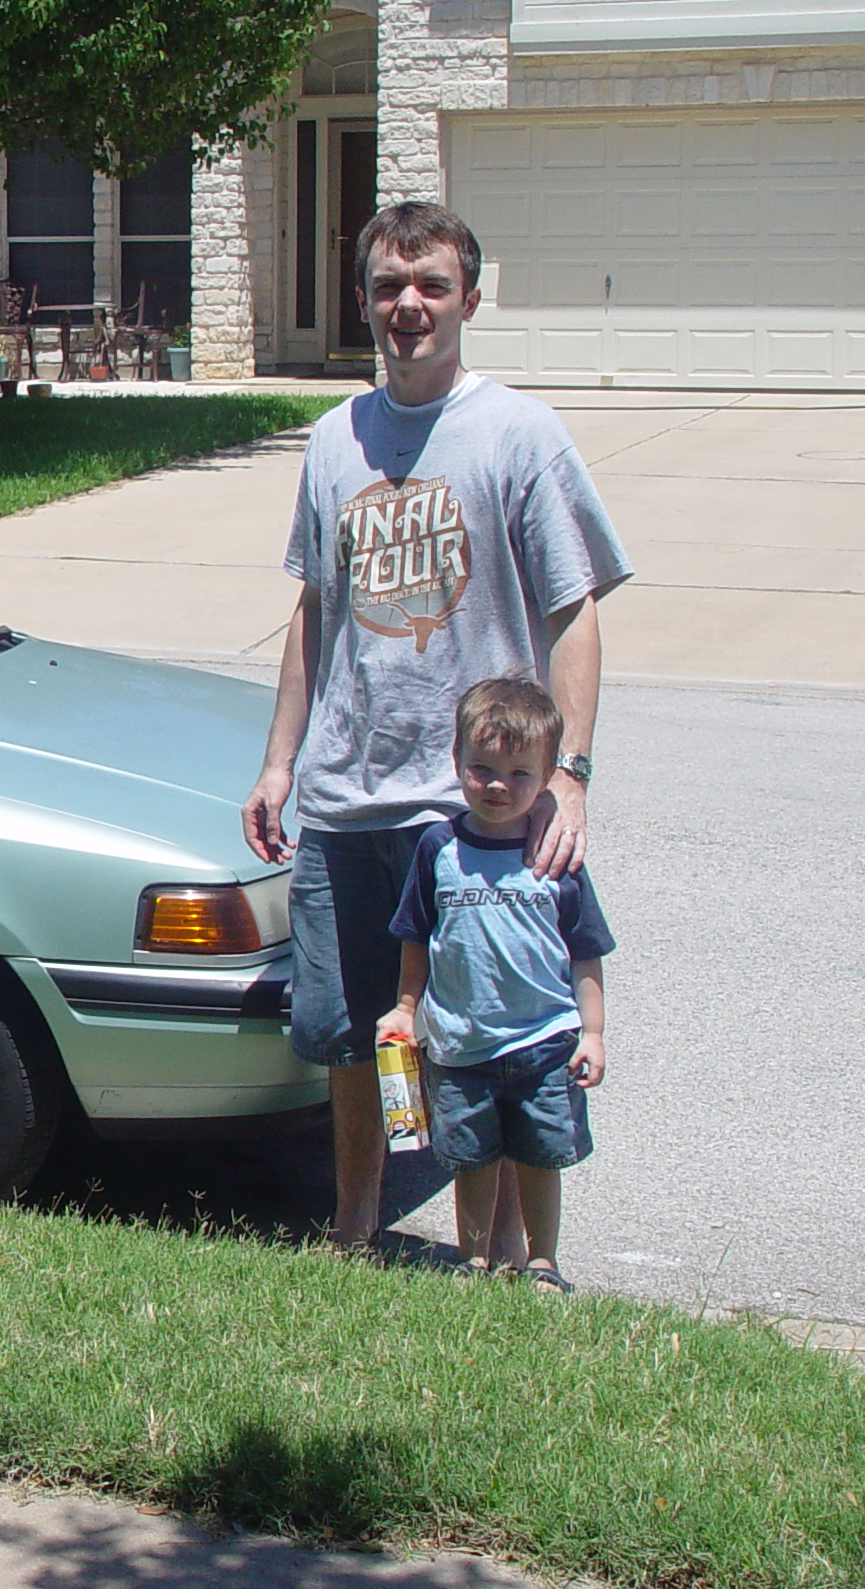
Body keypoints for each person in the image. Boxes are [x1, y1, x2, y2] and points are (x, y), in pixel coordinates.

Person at [240, 200, 630, 1257]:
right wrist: (279, 761)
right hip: (341, 797)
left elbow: (575, 606)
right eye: (386, 287)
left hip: (464, 807)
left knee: (485, 1036)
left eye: (430, 286)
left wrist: (572, 777)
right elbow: (315, 608)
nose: (406, 306)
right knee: (354, 1034)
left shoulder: (518, 434)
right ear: (362, 299)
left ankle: (501, 1256)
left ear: (467, 296)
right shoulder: (333, 440)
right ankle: (357, 1228)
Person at [377, 678, 611, 1290]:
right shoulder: (439, 848)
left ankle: (543, 1262)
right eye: (481, 769)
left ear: (545, 777)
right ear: (456, 764)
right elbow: (416, 937)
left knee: (540, 1157)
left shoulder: (556, 856)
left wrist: (593, 1033)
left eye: (519, 773)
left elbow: (586, 954)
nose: (499, 786)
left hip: (545, 1042)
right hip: (461, 1043)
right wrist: (405, 1009)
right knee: (470, 1158)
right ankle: (473, 1259)